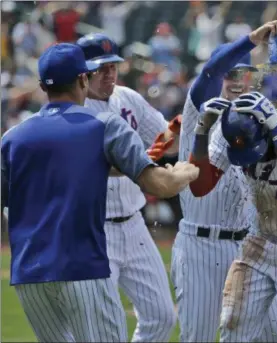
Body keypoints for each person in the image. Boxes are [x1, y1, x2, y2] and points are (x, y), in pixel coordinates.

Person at [0, 43, 199, 343]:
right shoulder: (102, 125)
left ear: (42, 86)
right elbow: (159, 184)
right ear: (83, 79)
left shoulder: (12, 138)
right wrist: (189, 170)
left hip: (29, 274)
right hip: (83, 266)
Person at [172, 20, 277, 342]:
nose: (237, 81)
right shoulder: (201, 109)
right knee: (199, 337)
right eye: (231, 74)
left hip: (249, 244)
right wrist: (253, 40)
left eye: (244, 75)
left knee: (276, 335)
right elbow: (211, 71)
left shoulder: (254, 117)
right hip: (201, 244)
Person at [188, 91, 277, 342]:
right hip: (258, 238)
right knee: (232, 325)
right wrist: (201, 131)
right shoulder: (228, 129)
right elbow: (199, 186)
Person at [76, 33, 180, 342]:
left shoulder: (127, 97)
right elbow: (95, 166)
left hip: (135, 225)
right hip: (95, 229)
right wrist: (140, 163)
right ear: (83, 71)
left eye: (113, 66)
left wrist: (180, 127)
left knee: (162, 317)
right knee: (106, 330)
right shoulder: (76, 109)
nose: (109, 74)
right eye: (101, 67)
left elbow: (164, 138)